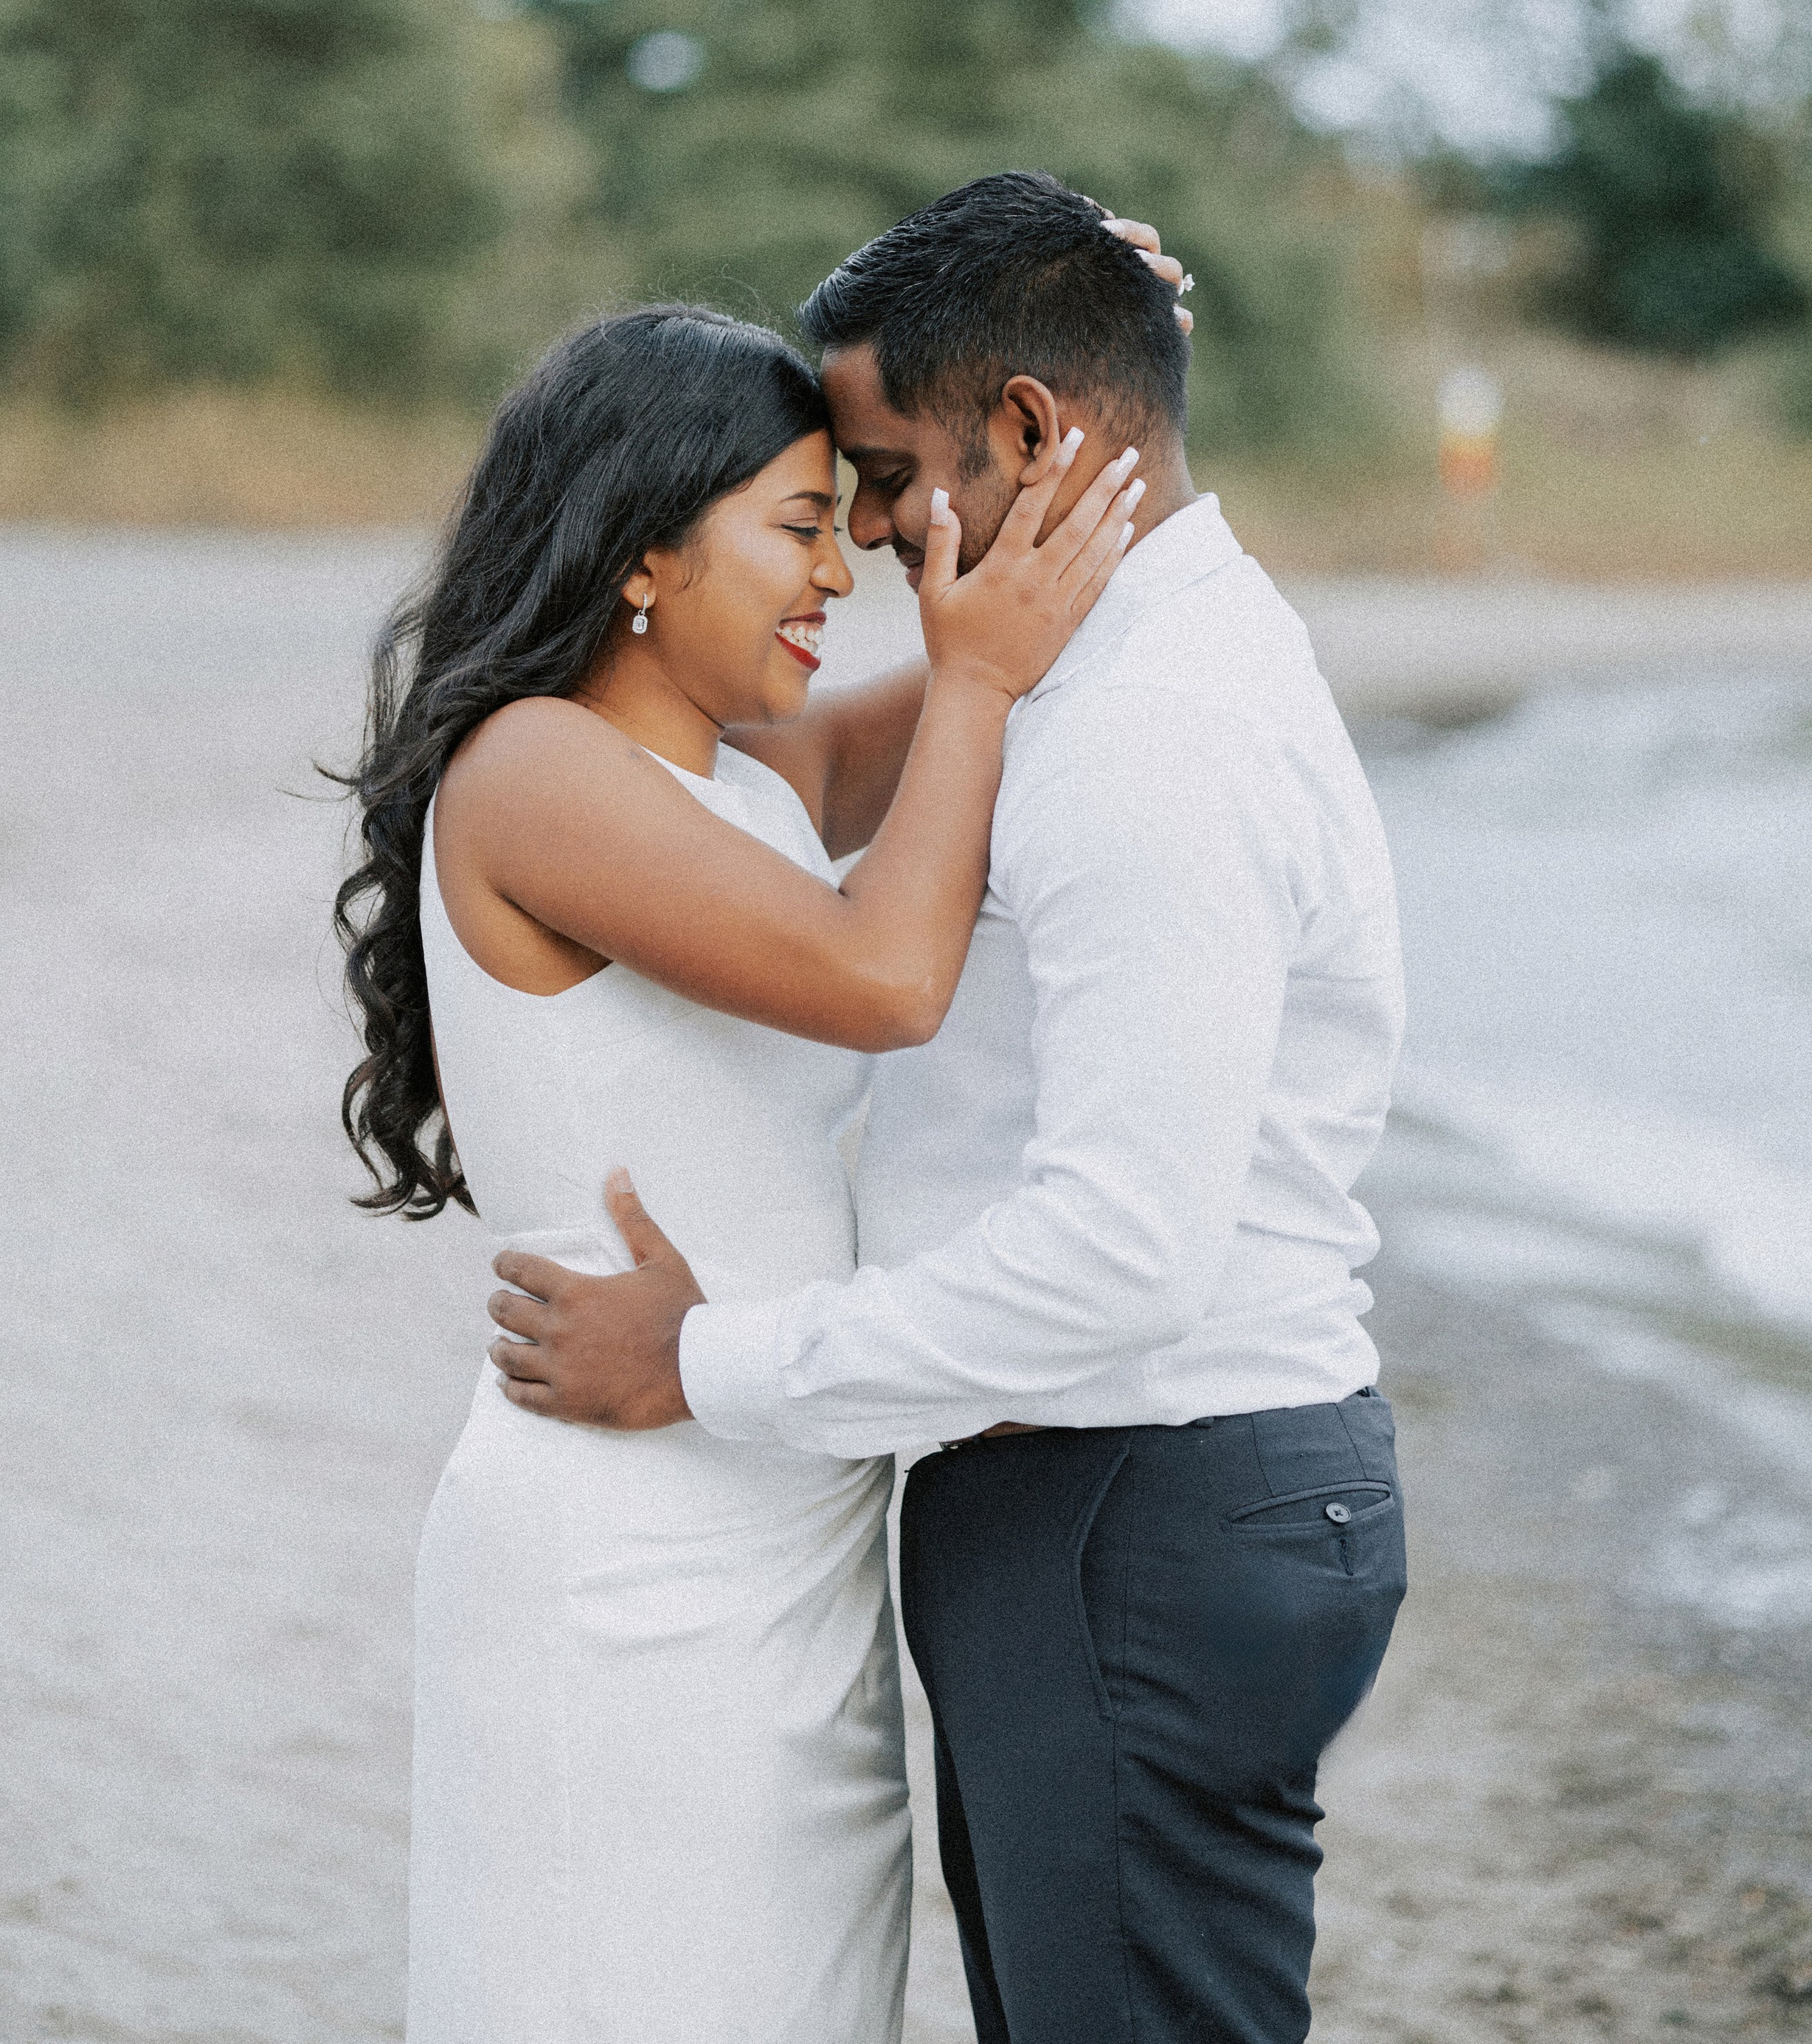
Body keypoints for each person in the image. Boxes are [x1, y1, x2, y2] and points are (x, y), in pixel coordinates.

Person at [488, 173, 1409, 2044]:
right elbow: (774, 765)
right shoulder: (1102, 671)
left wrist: (708, 1365)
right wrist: (1063, 300)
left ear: (1027, 432)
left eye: (890, 484)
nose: (879, 544)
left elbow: (1118, 1258)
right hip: (1128, 1494)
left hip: (1127, 1494)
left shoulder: (1147, 732)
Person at [333, 297, 1142, 2044]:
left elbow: (1024, 625)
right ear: (641, 548)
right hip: (622, 1548)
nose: (833, 576)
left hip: (786, 1524)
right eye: (792, 527)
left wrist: (1079, 371)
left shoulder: (744, 780)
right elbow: (885, 975)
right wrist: (988, 671)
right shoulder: (536, 769)